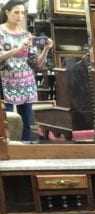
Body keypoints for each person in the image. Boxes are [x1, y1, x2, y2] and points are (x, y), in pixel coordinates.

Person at [0, 0, 52, 141]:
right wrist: (18, 49)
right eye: (16, 12)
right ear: (7, 12)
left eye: (22, 12)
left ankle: (26, 151)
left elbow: (37, 64)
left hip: (26, 82)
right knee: (7, 120)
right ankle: (8, 151)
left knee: (28, 122)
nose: (20, 16)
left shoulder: (26, 35)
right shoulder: (1, 32)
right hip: (4, 82)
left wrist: (46, 49)